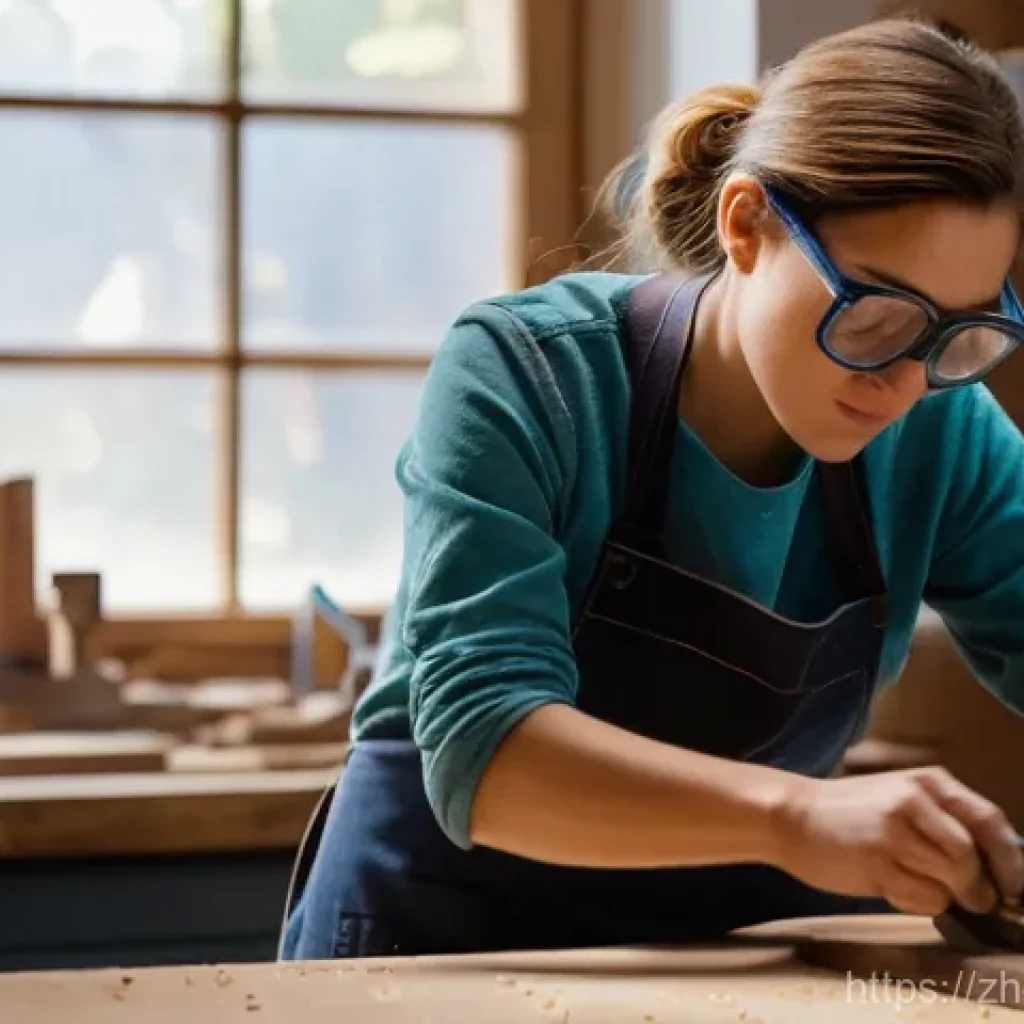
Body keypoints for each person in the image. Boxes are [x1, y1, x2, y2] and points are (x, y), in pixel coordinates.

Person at [281, 18, 1024, 960]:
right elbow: (489, 752)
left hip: (718, 948)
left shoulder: (936, 427)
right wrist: (799, 818)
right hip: (437, 937)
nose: (905, 379)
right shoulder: (529, 373)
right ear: (746, 224)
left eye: (961, 334)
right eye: (873, 313)